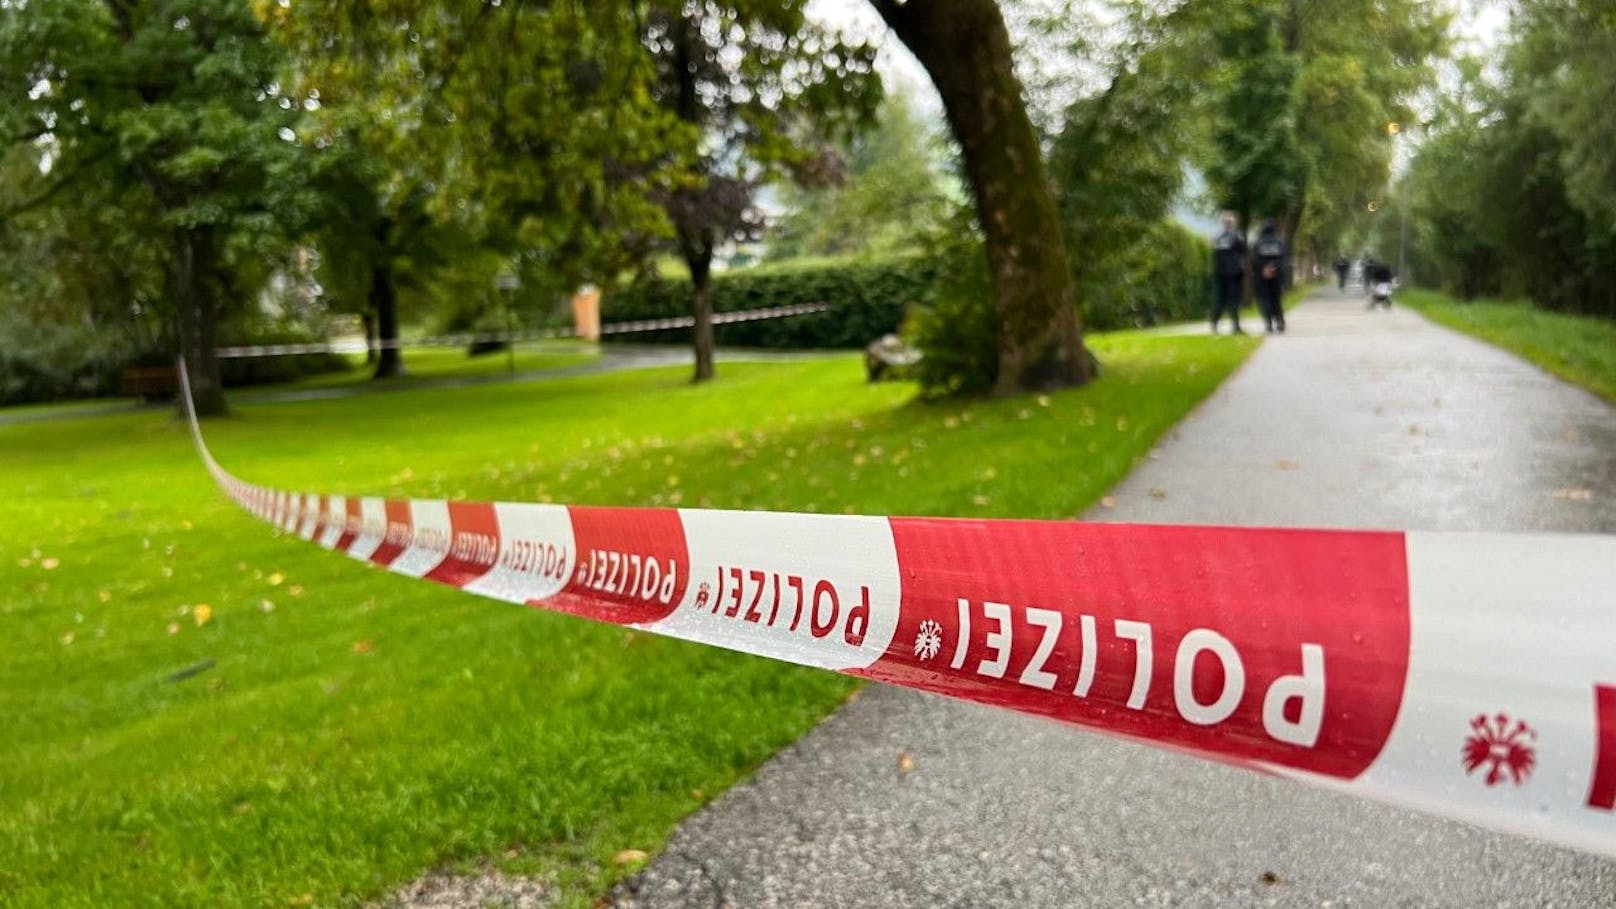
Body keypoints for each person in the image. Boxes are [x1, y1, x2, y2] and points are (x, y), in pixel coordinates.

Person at [1209, 213, 1246, 335]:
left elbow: (1214, 255)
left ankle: (1214, 324)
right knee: (1233, 300)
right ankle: (1236, 326)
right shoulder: (1236, 237)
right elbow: (1242, 251)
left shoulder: (1216, 238)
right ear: (1232, 224)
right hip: (1233, 274)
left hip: (1220, 273)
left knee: (1219, 300)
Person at [1253, 221, 1287, 333]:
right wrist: (1273, 268)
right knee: (1276, 299)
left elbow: (1255, 259)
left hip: (1262, 276)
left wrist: (1264, 269)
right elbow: (1282, 258)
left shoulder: (1258, 243)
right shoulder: (1279, 242)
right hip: (1277, 275)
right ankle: (1280, 322)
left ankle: (1268, 323)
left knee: (1265, 299)